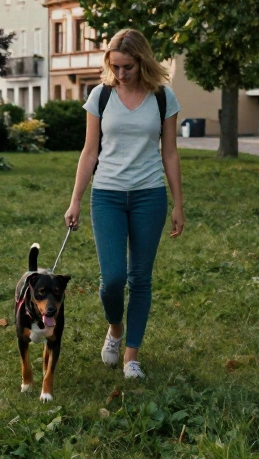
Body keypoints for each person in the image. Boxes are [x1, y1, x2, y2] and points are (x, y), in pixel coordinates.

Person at [64, 28, 184, 380]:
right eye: (115, 66)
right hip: (107, 196)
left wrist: (178, 204)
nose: (120, 73)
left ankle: (132, 356)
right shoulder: (100, 96)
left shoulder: (163, 98)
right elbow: (89, 152)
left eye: (127, 66)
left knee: (140, 279)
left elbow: (171, 153)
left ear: (142, 61)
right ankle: (115, 329)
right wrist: (75, 201)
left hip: (149, 195)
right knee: (113, 279)